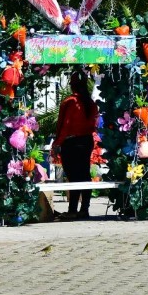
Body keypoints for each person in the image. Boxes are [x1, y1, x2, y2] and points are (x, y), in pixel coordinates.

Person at [52, 70, 99, 219]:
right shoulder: (90, 103)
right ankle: (84, 209)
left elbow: (65, 125)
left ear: (73, 86)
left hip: (71, 143)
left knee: (73, 176)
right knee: (84, 175)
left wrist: (57, 143)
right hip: (86, 141)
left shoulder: (71, 101)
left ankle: (73, 210)